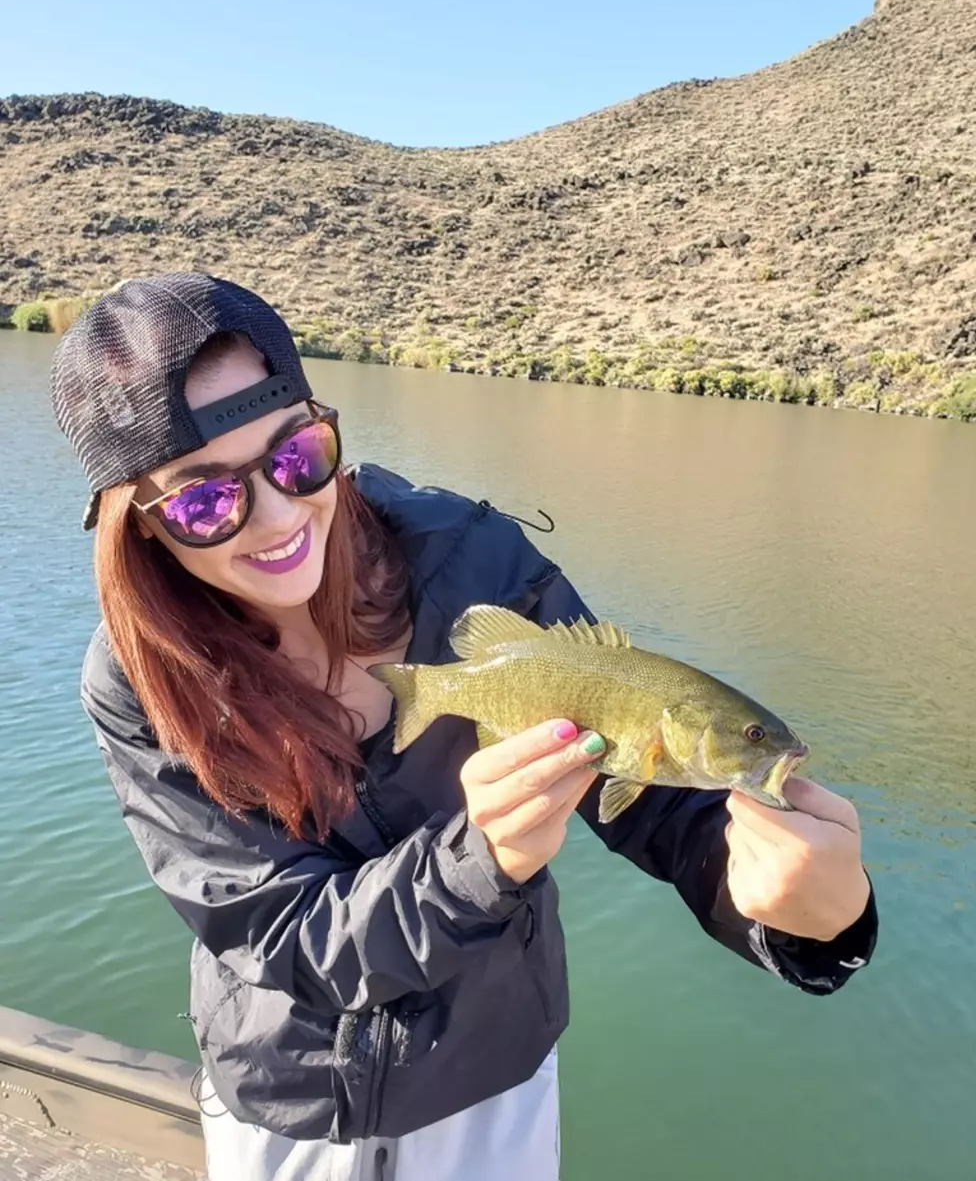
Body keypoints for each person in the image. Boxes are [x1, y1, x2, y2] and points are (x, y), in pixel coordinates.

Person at [51, 272, 878, 1181]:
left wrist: (809, 912)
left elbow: (653, 791)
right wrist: (478, 860)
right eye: (205, 501)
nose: (281, 516)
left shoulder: (474, 557)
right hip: (287, 1107)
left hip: (493, 1081)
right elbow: (277, 934)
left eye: (298, 457)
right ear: (140, 527)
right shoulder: (138, 679)